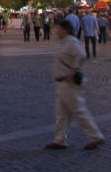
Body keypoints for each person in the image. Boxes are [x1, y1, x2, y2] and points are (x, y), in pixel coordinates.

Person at [45, 20, 105, 151]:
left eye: (58, 29)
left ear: (65, 30)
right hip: (62, 82)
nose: (56, 31)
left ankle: (95, 136)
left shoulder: (71, 41)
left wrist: (73, 71)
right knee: (61, 113)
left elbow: (81, 55)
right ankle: (59, 140)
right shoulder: (64, 42)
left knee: (78, 110)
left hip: (69, 83)